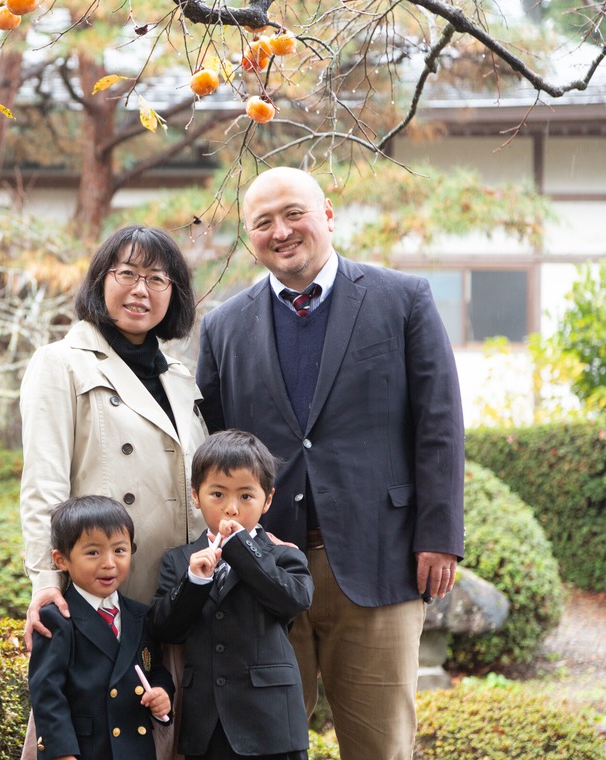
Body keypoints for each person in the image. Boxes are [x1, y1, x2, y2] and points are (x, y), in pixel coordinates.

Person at [195, 166, 466, 760]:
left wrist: (439, 536)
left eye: (294, 213)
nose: (282, 231)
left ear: (327, 215)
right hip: (262, 572)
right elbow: (213, 445)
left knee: (380, 746)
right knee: (264, 747)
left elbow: (439, 425)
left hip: (381, 560)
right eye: (263, 222)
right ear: (249, 238)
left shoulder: (402, 299)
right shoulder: (222, 328)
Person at [20, 224, 208, 760]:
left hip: (179, 598)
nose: (140, 290)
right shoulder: (60, 363)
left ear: (175, 294)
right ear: (101, 280)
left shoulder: (181, 377)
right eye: (126, 273)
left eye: (157, 278)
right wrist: (44, 582)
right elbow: (44, 484)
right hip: (102, 601)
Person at [149, 430, 312, 760]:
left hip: (272, 723)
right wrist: (194, 581)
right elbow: (165, 629)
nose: (231, 509)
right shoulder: (179, 560)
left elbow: (294, 601)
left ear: (268, 500)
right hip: (206, 724)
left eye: (246, 497)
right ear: (196, 496)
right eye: (218, 494)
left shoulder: (283, 555)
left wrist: (242, 550)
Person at [29, 495, 175, 760]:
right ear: (61, 560)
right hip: (84, 751)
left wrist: (163, 695)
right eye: (93, 552)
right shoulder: (57, 618)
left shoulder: (140, 615)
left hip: (136, 750)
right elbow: (47, 694)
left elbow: (156, 671)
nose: (109, 563)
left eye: (119, 550)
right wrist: (62, 754)